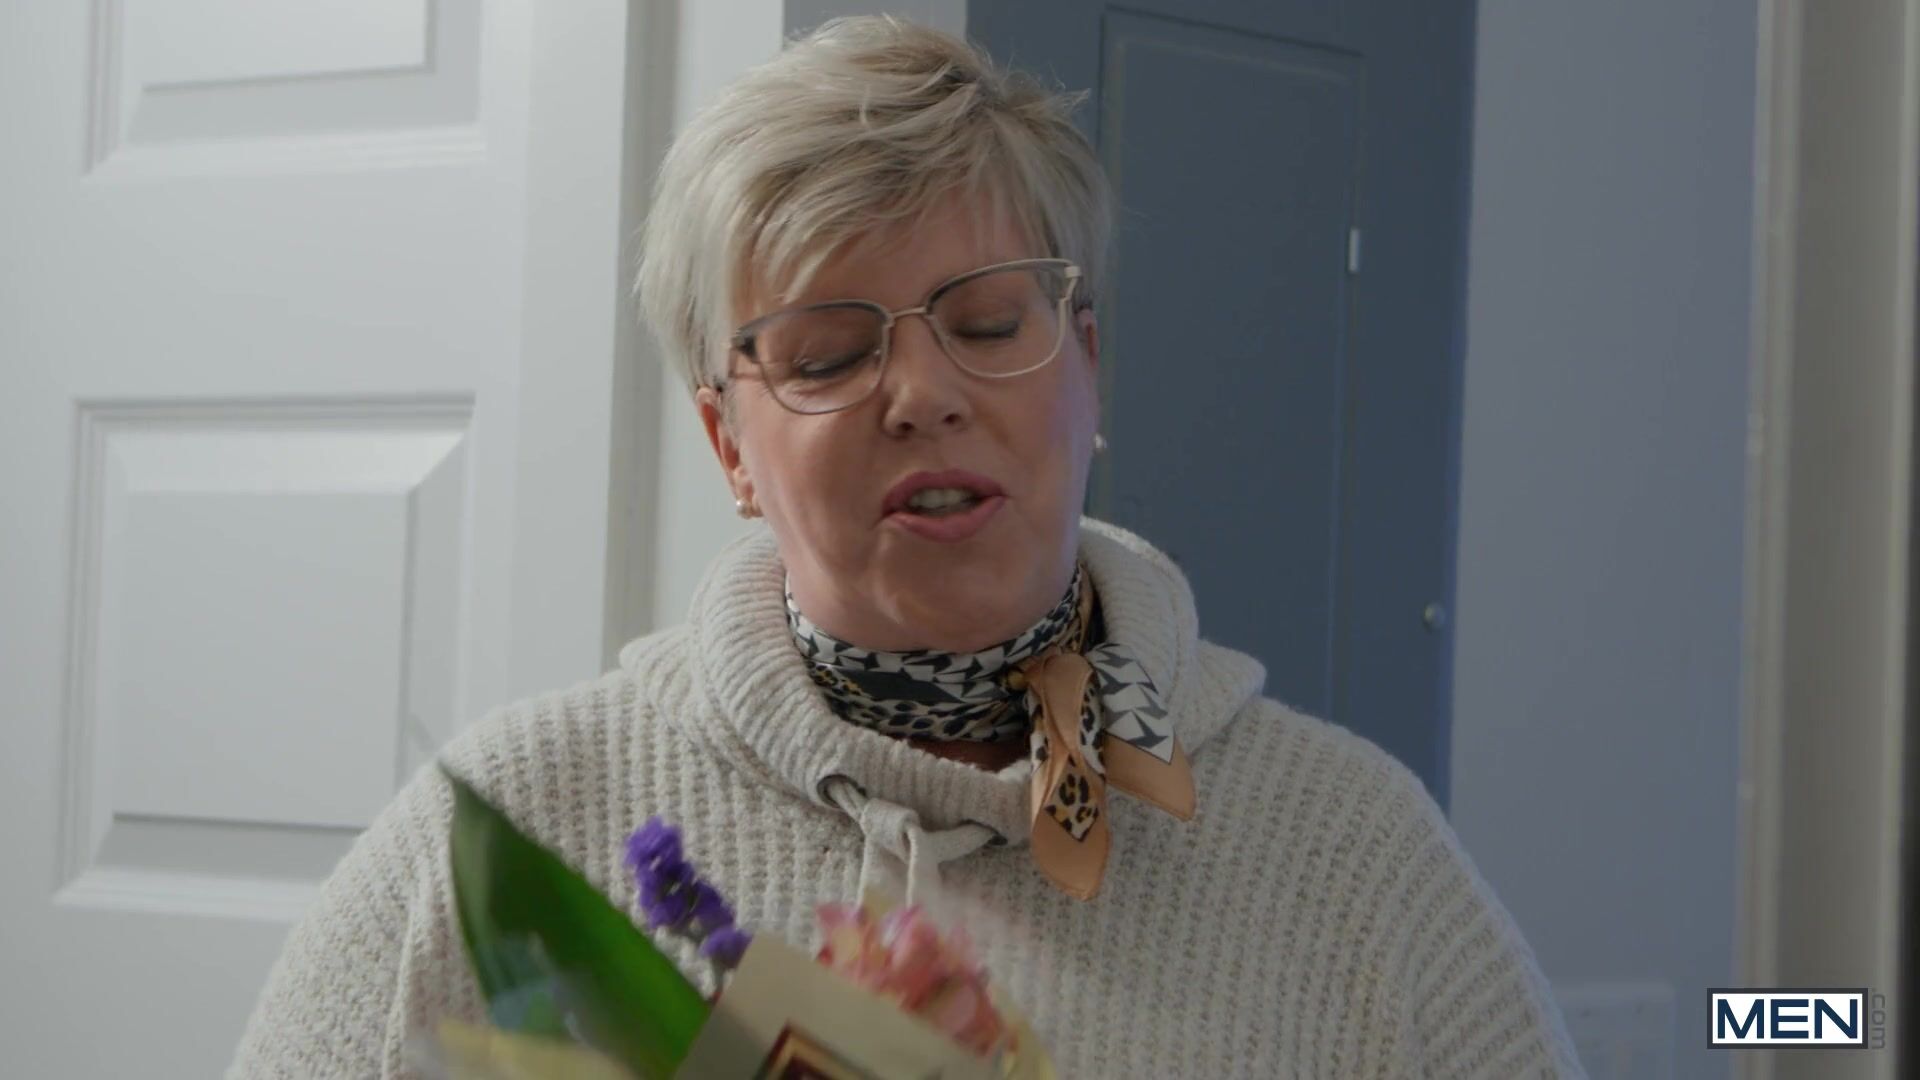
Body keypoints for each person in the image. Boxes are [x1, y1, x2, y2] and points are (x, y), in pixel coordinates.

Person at [231, 16, 1583, 1078]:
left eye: (990, 325)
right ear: (727, 445)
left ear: (1089, 367)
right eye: (829, 353)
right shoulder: (516, 834)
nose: (925, 392)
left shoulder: (1351, 859)